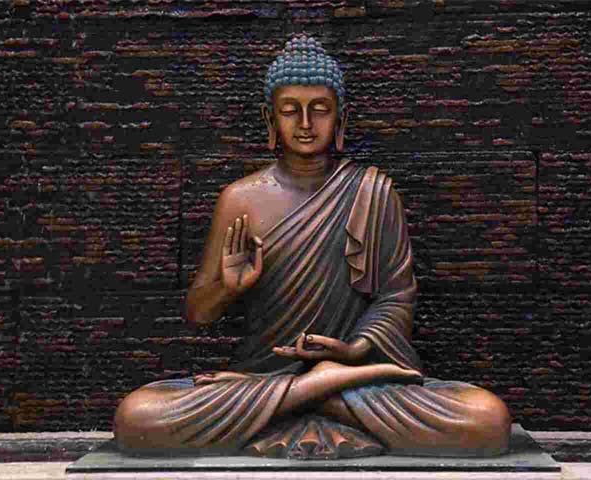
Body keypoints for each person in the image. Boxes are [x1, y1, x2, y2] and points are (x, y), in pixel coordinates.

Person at [113, 35, 511, 459]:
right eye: (290, 110)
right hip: (263, 377)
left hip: (342, 385)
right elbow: (198, 312)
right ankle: (316, 390)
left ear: (341, 118)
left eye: (320, 109)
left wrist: (355, 350)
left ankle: (313, 391)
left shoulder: (374, 193)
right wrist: (227, 288)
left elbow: (396, 297)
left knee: (487, 419)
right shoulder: (240, 199)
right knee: (137, 418)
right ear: (270, 119)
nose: (305, 123)